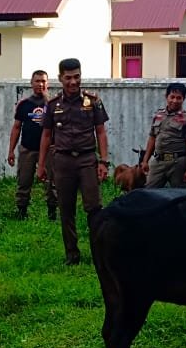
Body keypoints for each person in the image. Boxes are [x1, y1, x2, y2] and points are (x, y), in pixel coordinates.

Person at [37, 58, 110, 265]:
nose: (73, 82)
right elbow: (46, 136)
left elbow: (101, 133)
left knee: (94, 208)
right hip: (63, 162)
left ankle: (99, 253)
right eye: (68, 78)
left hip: (87, 160)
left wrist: (104, 162)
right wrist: (41, 166)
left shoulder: (93, 102)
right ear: (60, 78)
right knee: (66, 209)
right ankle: (72, 254)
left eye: (76, 77)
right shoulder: (52, 105)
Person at [7, 70, 57, 220]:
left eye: (43, 81)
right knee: (24, 181)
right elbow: (16, 128)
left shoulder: (54, 104)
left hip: (50, 151)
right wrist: (11, 151)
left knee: (52, 184)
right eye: (37, 81)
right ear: (31, 83)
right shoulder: (24, 105)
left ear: (47, 83)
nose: (40, 84)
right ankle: (22, 212)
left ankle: (52, 214)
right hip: (27, 149)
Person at [140, 82, 186, 188]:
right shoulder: (158, 115)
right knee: (149, 194)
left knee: (179, 196)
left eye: (179, 98)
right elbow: (152, 138)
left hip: (177, 163)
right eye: (172, 97)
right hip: (158, 162)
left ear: (183, 99)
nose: (175, 101)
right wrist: (145, 160)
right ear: (166, 97)